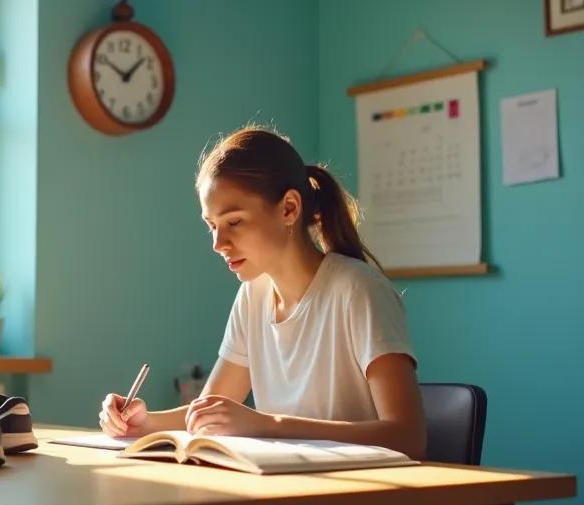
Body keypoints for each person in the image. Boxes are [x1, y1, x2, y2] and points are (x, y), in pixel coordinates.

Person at [99, 126, 426, 458]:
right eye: (212, 226)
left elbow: (407, 436)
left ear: (288, 209)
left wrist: (266, 424)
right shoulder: (252, 296)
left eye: (234, 222)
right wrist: (142, 422)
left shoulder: (358, 290)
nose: (218, 243)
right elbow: (207, 412)